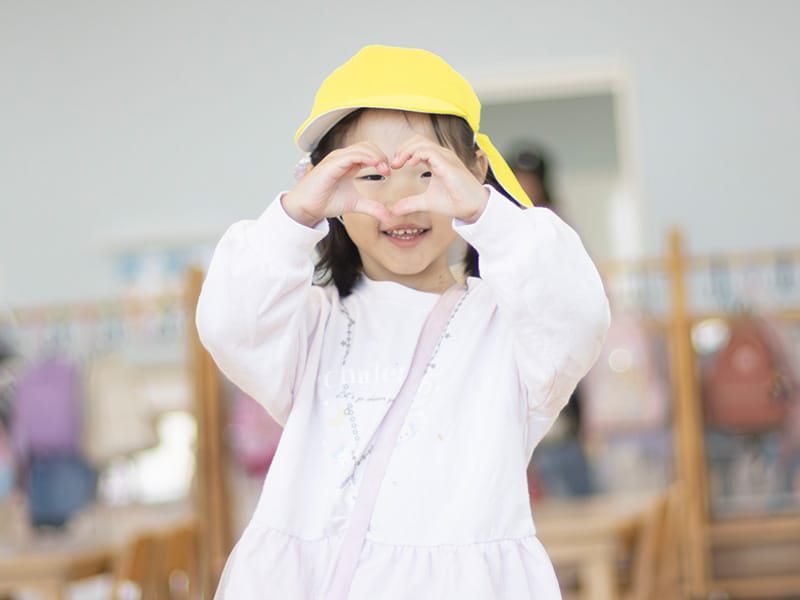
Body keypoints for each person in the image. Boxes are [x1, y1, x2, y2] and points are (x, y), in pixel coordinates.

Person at [196, 45, 610, 600]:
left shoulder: (509, 329)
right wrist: (297, 215)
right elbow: (228, 322)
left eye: (428, 173)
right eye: (370, 175)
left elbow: (578, 314)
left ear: (475, 173)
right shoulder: (311, 327)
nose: (401, 202)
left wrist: (484, 211)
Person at [507, 145, 596, 498]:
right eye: (518, 178)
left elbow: (582, 289)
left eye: (531, 179)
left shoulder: (558, 226)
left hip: (556, 346)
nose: (526, 186)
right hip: (513, 347)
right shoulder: (497, 224)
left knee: (562, 445)